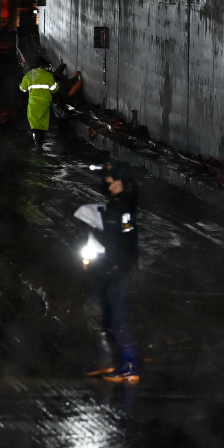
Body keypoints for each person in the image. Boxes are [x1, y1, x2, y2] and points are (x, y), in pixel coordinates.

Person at [83, 160, 140, 383]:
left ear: (119, 182)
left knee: (116, 315)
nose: (105, 182)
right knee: (97, 311)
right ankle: (106, 360)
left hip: (115, 270)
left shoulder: (120, 208)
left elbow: (115, 242)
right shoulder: (122, 202)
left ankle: (129, 365)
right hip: (108, 269)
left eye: (109, 179)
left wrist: (107, 266)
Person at [19, 56, 60, 147]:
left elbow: (22, 88)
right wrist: (58, 85)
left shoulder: (28, 75)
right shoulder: (47, 75)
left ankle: (37, 143)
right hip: (45, 104)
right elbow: (54, 89)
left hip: (33, 104)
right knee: (43, 124)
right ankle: (41, 141)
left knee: (34, 124)